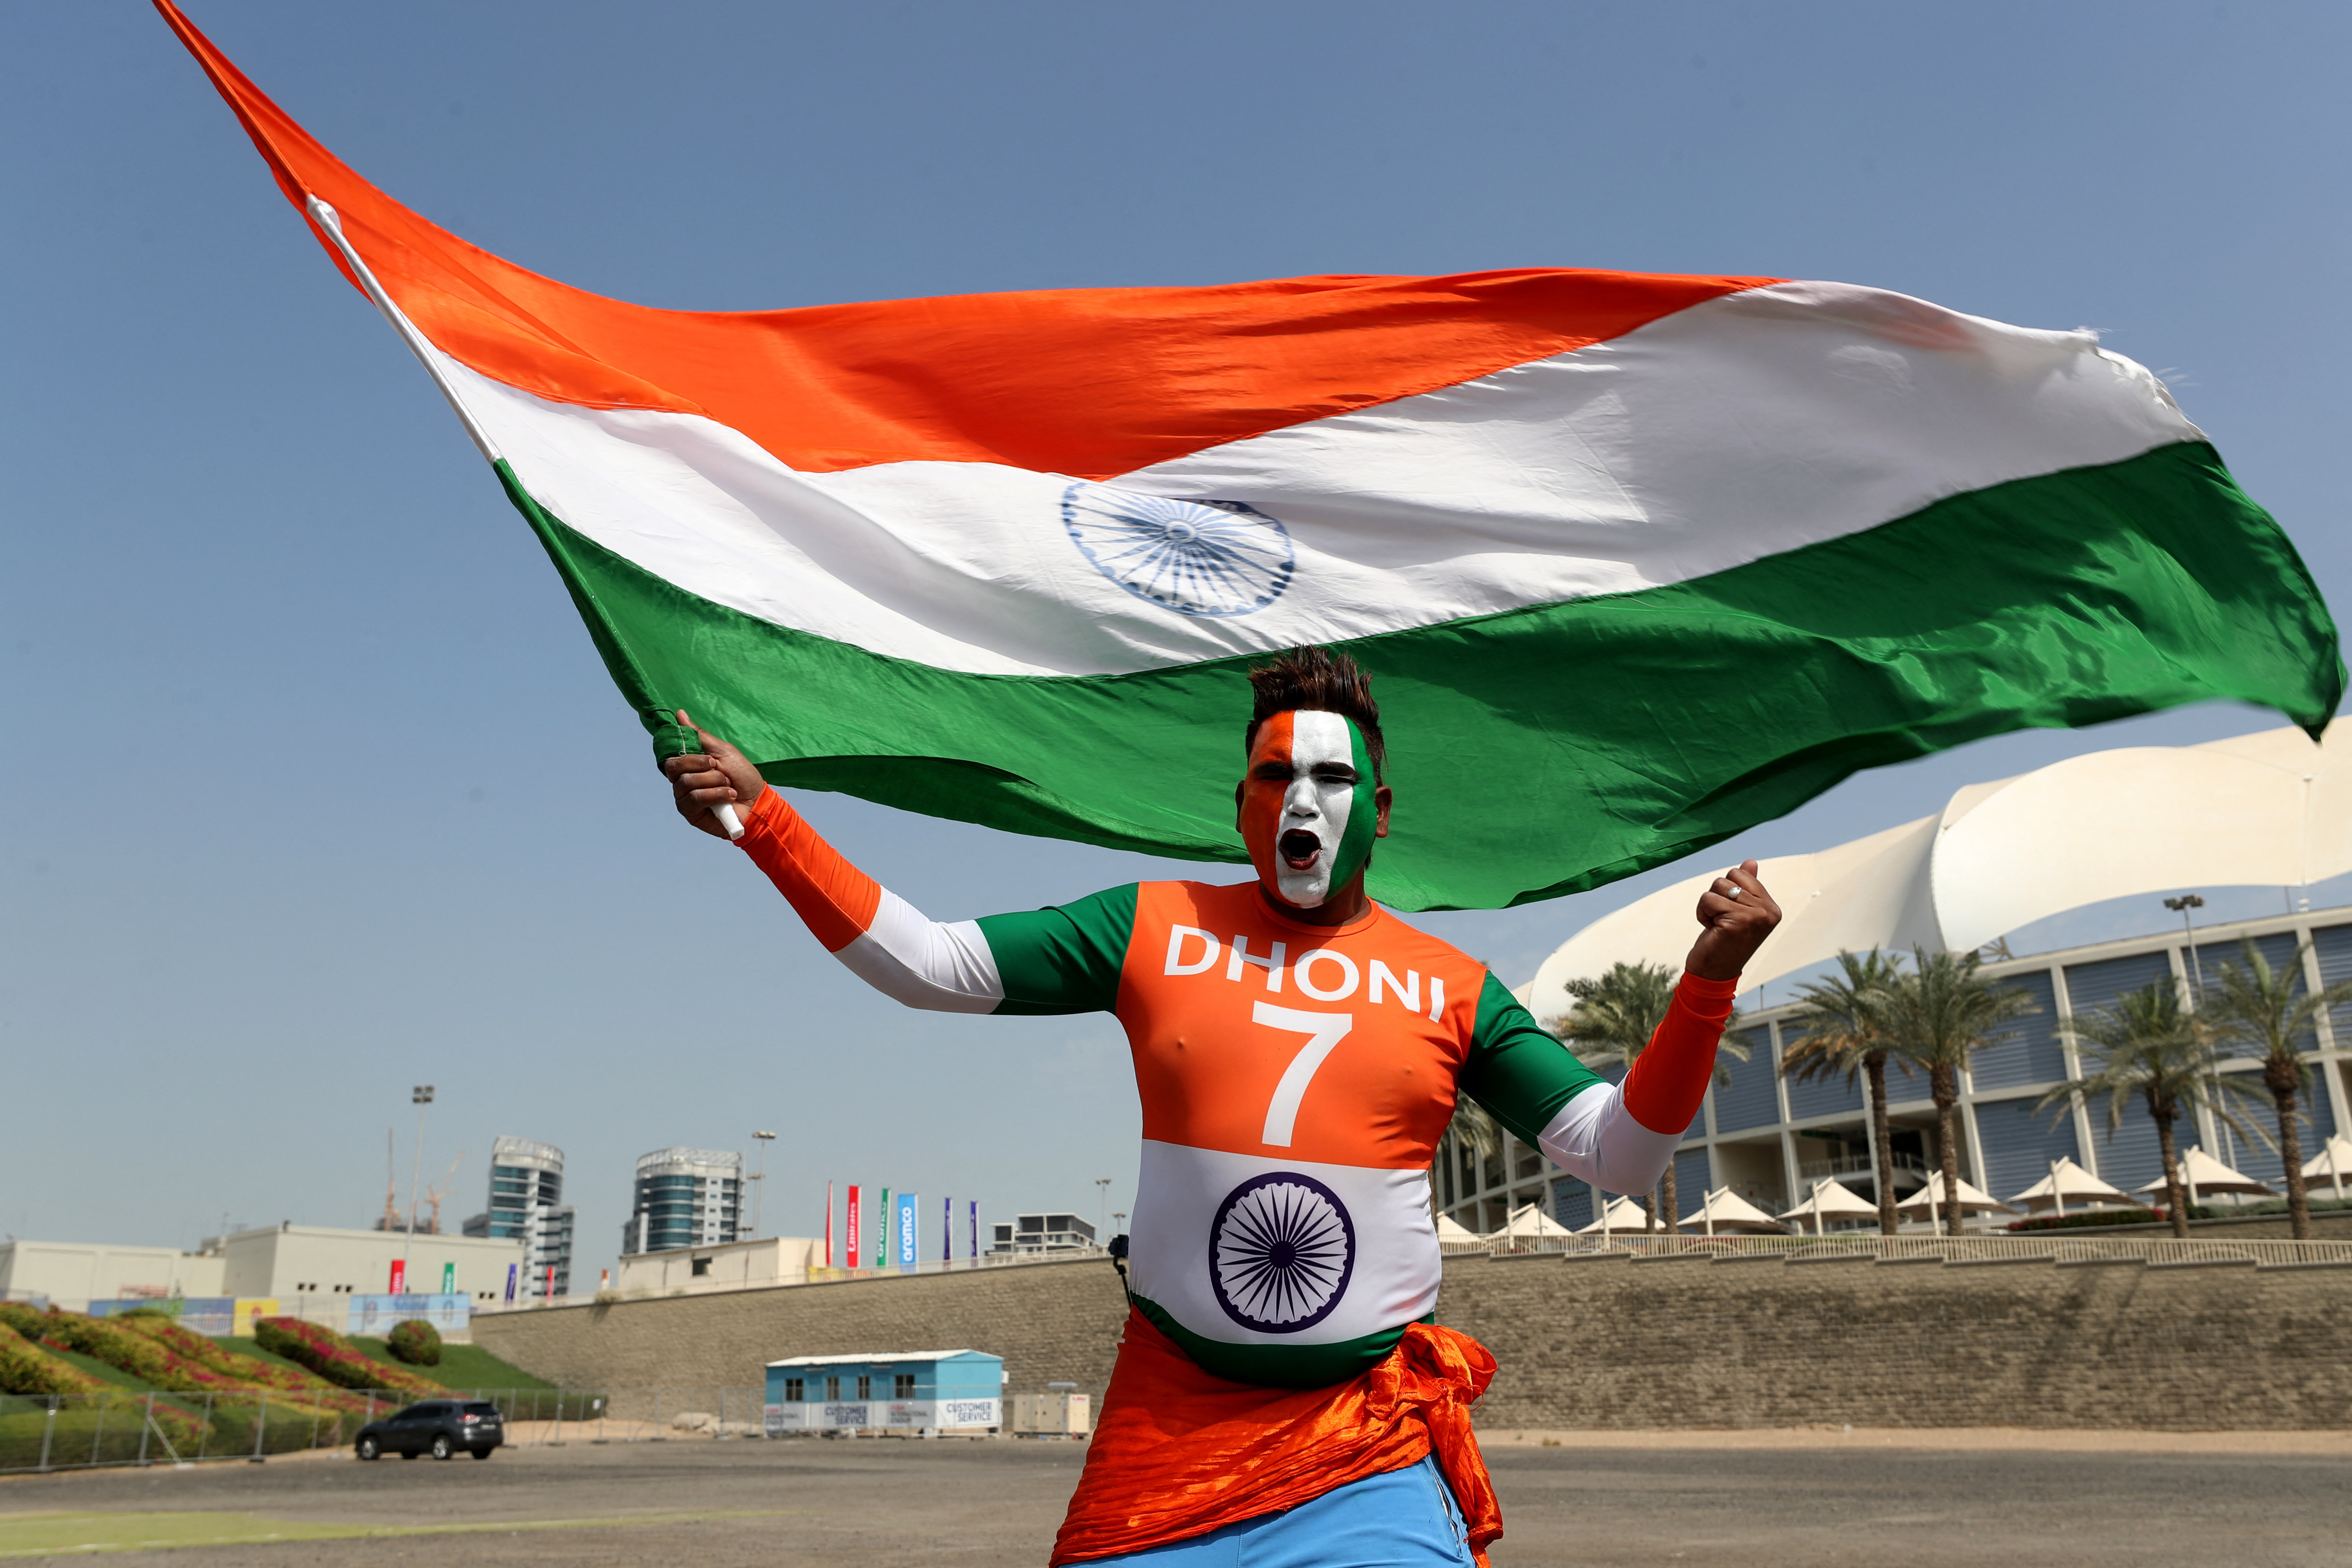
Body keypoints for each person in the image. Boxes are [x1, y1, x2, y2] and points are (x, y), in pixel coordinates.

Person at [664, 646, 1780, 1567]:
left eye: (1333, 781)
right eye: (1274, 777)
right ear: (1241, 806)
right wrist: (770, 824)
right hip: (1167, 1439)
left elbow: (1621, 1158)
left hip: (1367, 1452)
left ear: (1380, 812)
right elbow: (933, 964)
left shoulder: (1451, 985)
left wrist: (1709, 982)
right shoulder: (1151, 925)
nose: (1303, 799)